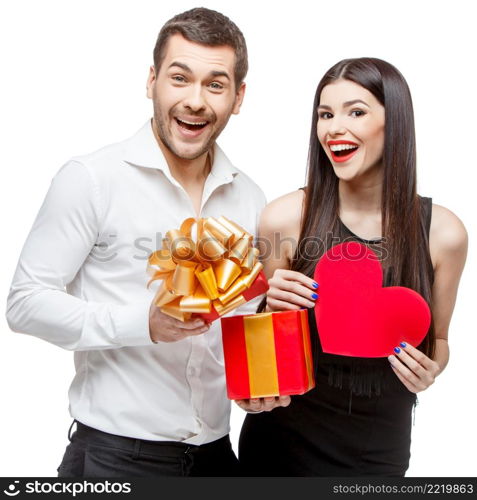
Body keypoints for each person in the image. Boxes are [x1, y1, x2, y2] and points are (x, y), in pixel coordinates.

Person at [6, 7, 278, 477]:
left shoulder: (252, 198)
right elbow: (24, 304)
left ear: (238, 97)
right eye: (179, 78)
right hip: (116, 459)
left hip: (217, 456)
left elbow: (243, 318)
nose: (195, 100)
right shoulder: (91, 179)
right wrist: (144, 323)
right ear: (151, 80)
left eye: (215, 84)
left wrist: (257, 384)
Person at [238, 57, 468, 476]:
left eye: (355, 112)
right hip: (278, 447)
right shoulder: (284, 219)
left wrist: (430, 370)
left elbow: (439, 339)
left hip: (377, 454)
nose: (333, 128)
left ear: (394, 122)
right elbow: (266, 348)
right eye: (325, 114)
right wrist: (269, 308)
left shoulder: (444, 233)